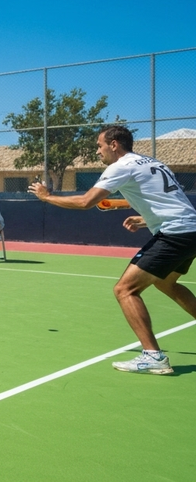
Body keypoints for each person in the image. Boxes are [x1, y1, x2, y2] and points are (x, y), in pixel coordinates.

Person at [29, 125, 196, 375]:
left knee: (125, 289)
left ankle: (153, 356)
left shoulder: (121, 166)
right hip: (190, 228)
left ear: (114, 144)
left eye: (99, 145)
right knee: (166, 284)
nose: (98, 151)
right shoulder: (151, 162)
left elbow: (86, 202)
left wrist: (46, 197)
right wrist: (146, 220)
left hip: (174, 234)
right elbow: (164, 198)